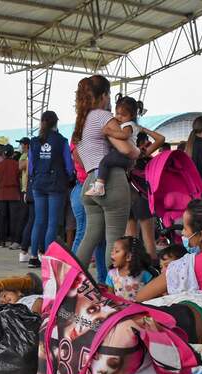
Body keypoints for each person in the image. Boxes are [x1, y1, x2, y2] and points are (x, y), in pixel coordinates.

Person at [74, 75, 140, 281]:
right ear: (103, 95)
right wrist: (135, 151)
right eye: (109, 94)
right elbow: (127, 149)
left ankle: (73, 283)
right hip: (112, 181)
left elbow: (76, 155)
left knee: (89, 237)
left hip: (89, 182)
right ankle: (114, 292)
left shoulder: (81, 121)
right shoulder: (103, 116)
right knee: (115, 242)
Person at [136, 199, 202, 301]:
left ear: (200, 235)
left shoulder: (186, 266)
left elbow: (141, 296)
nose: (183, 233)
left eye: (185, 228)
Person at [26, 110, 74, 268]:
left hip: (38, 183)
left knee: (39, 220)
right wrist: (68, 176)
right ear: (56, 123)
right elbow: (69, 166)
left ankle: (33, 256)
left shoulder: (34, 141)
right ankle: (47, 258)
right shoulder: (62, 141)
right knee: (52, 222)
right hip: (56, 184)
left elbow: (31, 166)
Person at [84, 96, 144, 197]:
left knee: (104, 162)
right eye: (117, 114)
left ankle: (99, 187)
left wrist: (109, 132)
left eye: (123, 115)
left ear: (132, 115)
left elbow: (124, 136)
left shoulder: (128, 125)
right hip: (126, 158)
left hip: (125, 156)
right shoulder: (125, 123)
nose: (119, 117)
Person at [125, 127, 166, 263]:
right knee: (148, 238)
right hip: (142, 198)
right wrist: (142, 129)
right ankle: (152, 266)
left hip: (128, 196)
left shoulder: (126, 153)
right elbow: (161, 139)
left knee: (131, 238)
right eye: (146, 142)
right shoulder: (142, 154)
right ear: (142, 142)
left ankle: (131, 268)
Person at [105, 236, 153, 301]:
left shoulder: (143, 274)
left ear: (128, 257)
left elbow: (153, 293)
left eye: (116, 251)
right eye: (112, 250)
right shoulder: (111, 274)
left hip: (140, 309)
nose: (111, 253)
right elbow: (110, 296)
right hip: (121, 309)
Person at [0, 144, 22, 249]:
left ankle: (2, 241)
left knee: (1, 218)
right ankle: (13, 240)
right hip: (14, 193)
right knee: (13, 218)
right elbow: (19, 180)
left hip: (1, 194)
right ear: (12, 153)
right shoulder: (16, 164)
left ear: (3, 154)